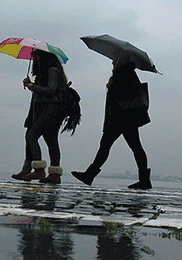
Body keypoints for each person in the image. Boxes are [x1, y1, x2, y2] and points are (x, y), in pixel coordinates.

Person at [71, 54, 152, 189]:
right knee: (132, 147)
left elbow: (124, 93)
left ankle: (90, 174)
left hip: (120, 117)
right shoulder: (125, 73)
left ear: (121, 61)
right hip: (123, 117)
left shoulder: (123, 73)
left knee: (110, 146)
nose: (113, 63)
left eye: (115, 60)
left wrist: (112, 85)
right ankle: (144, 180)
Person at [11, 49, 68, 184]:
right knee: (51, 141)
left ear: (43, 57)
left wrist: (33, 86)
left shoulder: (52, 70)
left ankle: (38, 170)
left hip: (51, 109)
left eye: (35, 56)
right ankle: (54, 175)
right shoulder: (44, 73)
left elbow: (51, 90)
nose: (34, 60)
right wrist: (32, 84)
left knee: (32, 136)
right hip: (44, 109)